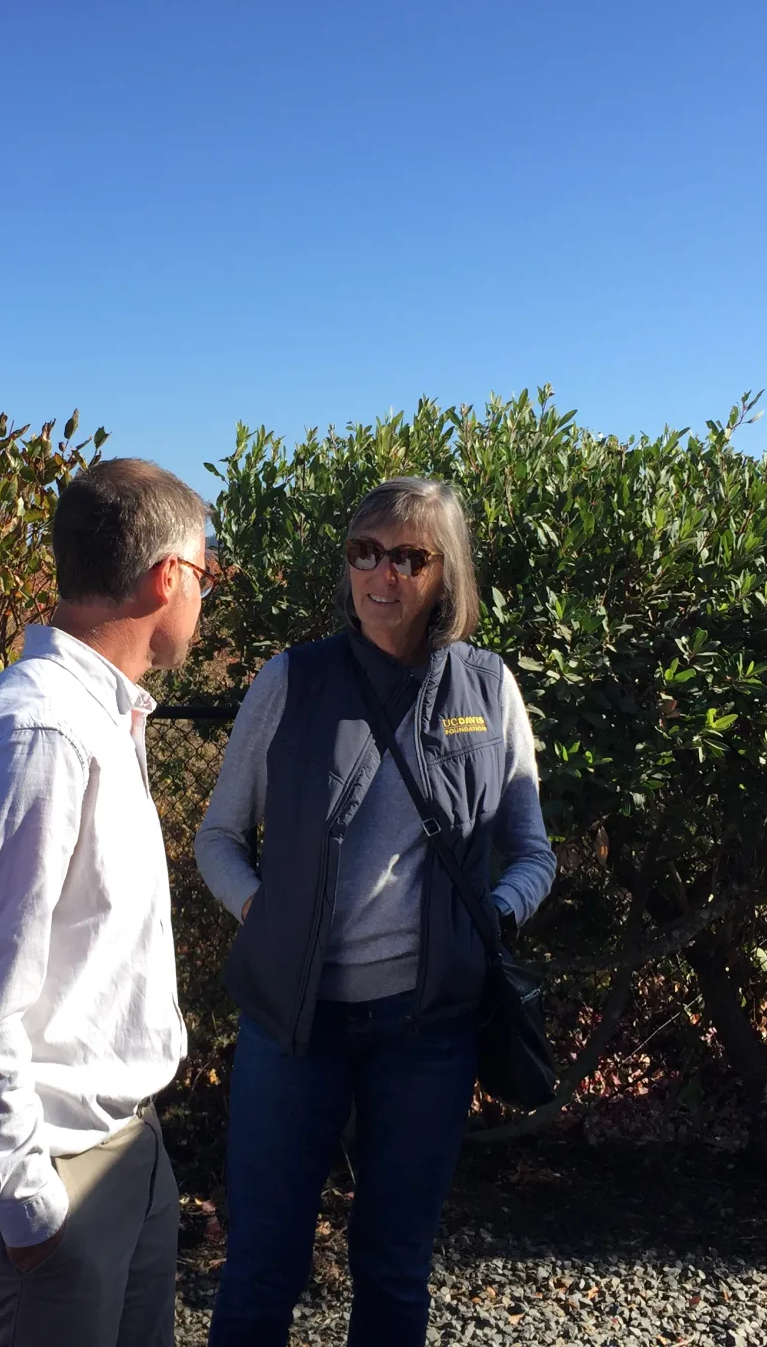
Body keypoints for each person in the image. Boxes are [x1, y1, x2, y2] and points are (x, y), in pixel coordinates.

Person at [195, 476, 557, 1347]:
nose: (380, 575)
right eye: (364, 552)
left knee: (394, 1272)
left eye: (407, 556)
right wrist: (263, 914)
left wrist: (493, 923)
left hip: (428, 1031)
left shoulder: (486, 687)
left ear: (447, 575)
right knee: (260, 1270)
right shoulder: (292, 680)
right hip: (293, 1024)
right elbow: (217, 838)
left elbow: (532, 851)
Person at [0, 458, 210, 1347]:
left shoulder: (103, 720)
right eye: (207, 576)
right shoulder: (37, 733)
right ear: (167, 578)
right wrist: (29, 1207)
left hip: (123, 1154)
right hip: (47, 1176)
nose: (205, 598)